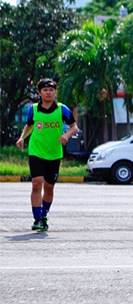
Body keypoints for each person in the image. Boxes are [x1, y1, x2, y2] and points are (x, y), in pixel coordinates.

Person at [16, 78, 79, 232]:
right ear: (40, 93)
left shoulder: (62, 109)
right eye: (45, 90)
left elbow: (74, 127)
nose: (48, 93)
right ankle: (37, 219)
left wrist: (67, 135)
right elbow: (29, 125)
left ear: (55, 92)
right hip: (36, 151)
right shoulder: (34, 109)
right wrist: (21, 137)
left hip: (54, 153)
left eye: (51, 90)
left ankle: (44, 215)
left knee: (49, 188)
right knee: (37, 183)